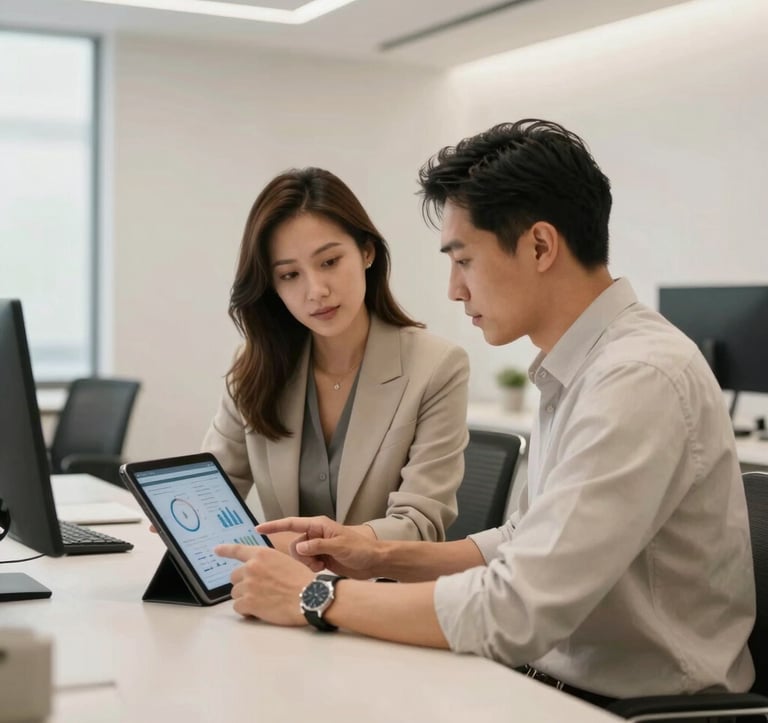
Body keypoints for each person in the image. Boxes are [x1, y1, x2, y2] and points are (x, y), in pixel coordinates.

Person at [215, 121, 755, 704]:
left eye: (463, 259)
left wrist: (315, 596)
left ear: (541, 246)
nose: (453, 289)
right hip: (551, 687)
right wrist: (376, 554)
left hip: (633, 710)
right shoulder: (581, 367)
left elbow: (515, 609)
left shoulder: (637, 378)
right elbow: (526, 537)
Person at [202, 167, 469, 552]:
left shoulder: (437, 366)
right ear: (271, 287)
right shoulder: (254, 365)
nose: (316, 291)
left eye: (329, 262)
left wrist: (295, 545)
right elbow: (212, 491)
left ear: (367, 252)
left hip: (381, 599)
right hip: (276, 600)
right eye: (290, 275)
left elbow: (419, 524)